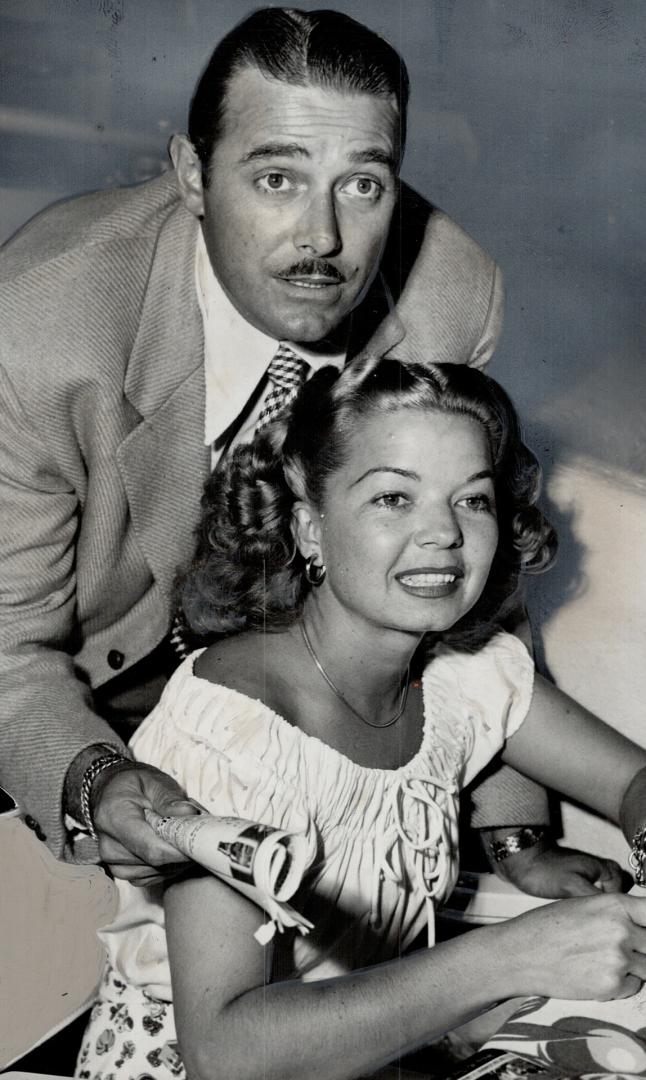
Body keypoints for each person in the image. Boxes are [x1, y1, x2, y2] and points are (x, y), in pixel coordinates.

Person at [0, 7, 611, 895]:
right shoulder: (38, 327)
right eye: (278, 178)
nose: (321, 238)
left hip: (286, 691)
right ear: (193, 174)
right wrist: (94, 780)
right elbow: (8, 646)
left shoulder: (446, 295)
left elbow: (453, 575)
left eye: (361, 185)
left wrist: (514, 841)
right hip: (78, 686)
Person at [75, 357, 646, 1080]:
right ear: (310, 528)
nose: (443, 532)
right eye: (392, 499)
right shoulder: (234, 729)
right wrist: (508, 957)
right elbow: (226, 1055)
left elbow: (633, 782)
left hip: (370, 1050)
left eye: (472, 500)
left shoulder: (466, 675)